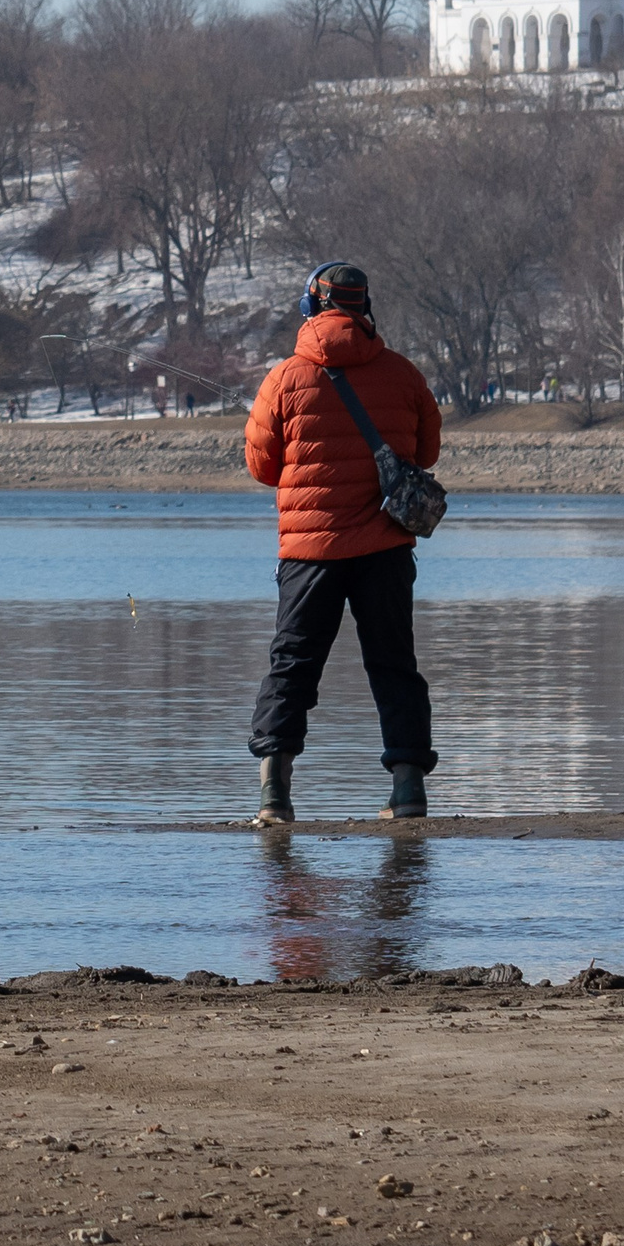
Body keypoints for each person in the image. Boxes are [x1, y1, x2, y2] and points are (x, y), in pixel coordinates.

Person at [243, 260, 443, 826]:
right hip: (385, 549)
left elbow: (261, 466)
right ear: (363, 307)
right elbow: (425, 454)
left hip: (309, 556)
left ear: (313, 307)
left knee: (292, 668)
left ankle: (274, 800)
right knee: (393, 666)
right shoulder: (404, 375)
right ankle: (408, 795)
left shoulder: (284, 378)